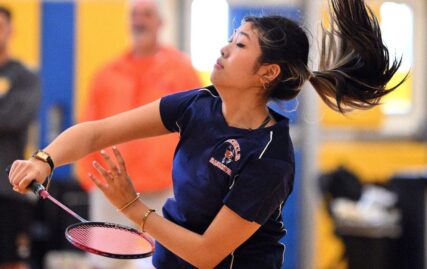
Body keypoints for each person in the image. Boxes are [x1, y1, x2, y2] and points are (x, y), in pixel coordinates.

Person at [8, 0, 405, 268]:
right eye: (231, 40)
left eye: (240, 45)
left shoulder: (271, 158)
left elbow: (206, 254)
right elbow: (97, 132)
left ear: (267, 73)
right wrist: (44, 159)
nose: (225, 49)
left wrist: (132, 208)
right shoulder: (197, 104)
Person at [76, 0, 200, 267]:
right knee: (106, 263)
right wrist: (90, 178)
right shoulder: (107, 73)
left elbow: (199, 129)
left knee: (156, 264)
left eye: (147, 14)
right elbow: (87, 125)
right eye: (134, 14)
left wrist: (188, 181)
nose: (139, 20)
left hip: (162, 192)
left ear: (161, 22)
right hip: (110, 188)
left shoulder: (182, 71)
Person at [0, 6, 41, 269]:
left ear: (10, 31)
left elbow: (12, 119)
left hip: (8, 187)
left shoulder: (25, 77)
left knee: (12, 261)